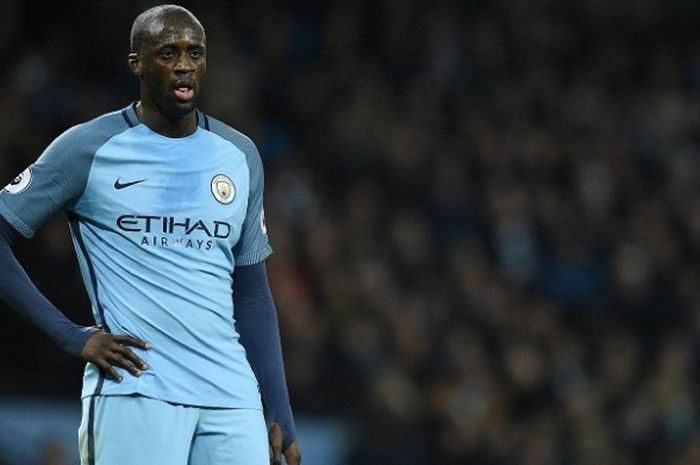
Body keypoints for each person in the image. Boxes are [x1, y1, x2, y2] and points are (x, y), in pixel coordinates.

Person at [0, 5, 301, 465]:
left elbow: (253, 290)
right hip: (137, 390)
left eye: (194, 52)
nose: (184, 64)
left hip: (231, 397)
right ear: (136, 63)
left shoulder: (239, 155)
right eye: (168, 52)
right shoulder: (87, 148)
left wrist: (278, 407)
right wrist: (69, 335)